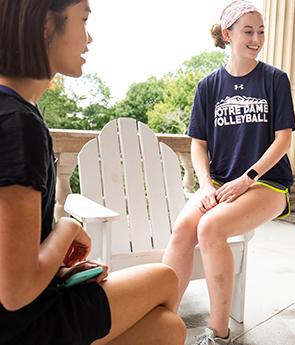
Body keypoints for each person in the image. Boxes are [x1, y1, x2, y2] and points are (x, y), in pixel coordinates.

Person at [0, 1, 186, 344]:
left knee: (167, 328)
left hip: (26, 309)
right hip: (21, 326)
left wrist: (58, 272)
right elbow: (15, 290)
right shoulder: (16, 125)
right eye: (83, 20)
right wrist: (68, 228)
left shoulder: (14, 111)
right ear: (45, 25)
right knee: (165, 279)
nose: (89, 38)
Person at [162, 1, 295, 344]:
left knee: (211, 227)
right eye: (248, 31)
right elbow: (198, 144)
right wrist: (205, 185)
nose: (257, 38)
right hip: (219, 182)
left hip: (267, 182)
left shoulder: (274, 80)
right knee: (183, 228)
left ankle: (218, 333)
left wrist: (246, 179)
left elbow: (283, 141)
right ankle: (162, 321)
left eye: (261, 31)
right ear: (228, 34)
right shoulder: (208, 86)